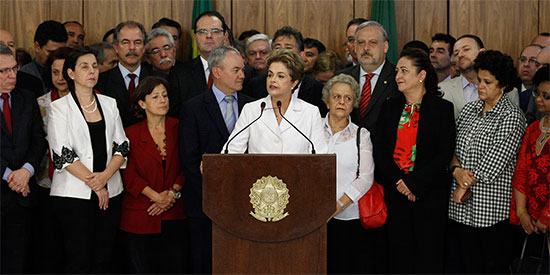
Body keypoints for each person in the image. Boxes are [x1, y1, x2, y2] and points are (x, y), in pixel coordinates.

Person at [47, 47, 129, 273]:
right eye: (84, 67)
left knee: (104, 256)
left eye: (94, 66)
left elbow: (122, 146)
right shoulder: (59, 108)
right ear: (71, 73)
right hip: (73, 195)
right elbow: (63, 153)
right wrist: (95, 184)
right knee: (78, 257)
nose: (92, 71)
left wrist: (104, 179)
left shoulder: (109, 103)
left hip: (111, 190)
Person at [373, 48, 455, 273]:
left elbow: (444, 153)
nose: (398, 75)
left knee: (427, 255)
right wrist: (400, 182)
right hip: (395, 192)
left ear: (421, 75)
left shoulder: (442, 109)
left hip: (429, 195)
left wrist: (415, 183)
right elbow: (379, 150)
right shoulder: (389, 106)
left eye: (404, 71)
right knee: (397, 254)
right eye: (397, 70)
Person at [447, 50, 527, 273]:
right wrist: (456, 172)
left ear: (503, 85)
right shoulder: (470, 110)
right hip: (459, 209)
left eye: (487, 82)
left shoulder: (512, 117)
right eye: (479, 80)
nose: (480, 85)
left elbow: (490, 167)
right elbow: (451, 150)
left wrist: (462, 180)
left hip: (490, 213)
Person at [179, 46, 253, 274]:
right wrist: (214, 195)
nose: (242, 74)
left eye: (242, 69)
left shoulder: (254, 106)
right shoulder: (193, 107)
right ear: (217, 72)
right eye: (236, 69)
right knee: (205, 263)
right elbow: (189, 159)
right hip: (204, 205)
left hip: (245, 203)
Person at [120, 76, 187, 273]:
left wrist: (172, 195)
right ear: (142, 103)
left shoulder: (180, 127)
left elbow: (187, 165)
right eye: (155, 96)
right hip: (140, 213)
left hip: (175, 212)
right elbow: (127, 171)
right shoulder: (129, 133)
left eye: (165, 96)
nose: (162, 100)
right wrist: (156, 197)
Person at [0, 44, 47, 274]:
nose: (12, 75)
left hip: (23, 195)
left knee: (17, 262)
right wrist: (11, 176)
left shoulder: (26, 97)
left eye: (14, 68)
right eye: (3, 71)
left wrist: (26, 171)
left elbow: (39, 139)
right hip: (9, 186)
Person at [224, 49, 327, 154]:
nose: (273, 80)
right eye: (270, 75)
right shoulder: (251, 110)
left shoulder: (310, 112)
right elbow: (232, 150)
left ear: (294, 83)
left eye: (280, 76)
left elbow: (319, 155)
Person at [322, 74, 374, 274]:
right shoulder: (311, 128)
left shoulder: (362, 135)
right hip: (311, 217)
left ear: (354, 104)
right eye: (336, 97)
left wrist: (336, 206)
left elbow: (366, 177)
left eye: (348, 98)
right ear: (327, 101)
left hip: (347, 218)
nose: (342, 102)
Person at [510, 66, 550, 258]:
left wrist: (546, 216)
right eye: (537, 93)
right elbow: (521, 170)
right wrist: (521, 210)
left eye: (546, 96)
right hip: (530, 215)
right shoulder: (534, 128)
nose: (539, 99)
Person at [243, 26, 327, 116]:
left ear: (301, 54)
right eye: (278, 48)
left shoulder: (317, 89)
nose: (282, 52)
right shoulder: (255, 85)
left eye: (288, 48)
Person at [336, 20, 399, 137]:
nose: (366, 48)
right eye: (360, 43)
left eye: (373, 43)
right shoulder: (341, 78)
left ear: (385, 47)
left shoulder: (398, 78)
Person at [440, 34, 520, 119]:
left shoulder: (509, 91)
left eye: (466, 49)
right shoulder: (442, 89)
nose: (460, 55)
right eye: (456, 53)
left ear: (482, 52)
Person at [94, 21, 156, 127]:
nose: (132, 47)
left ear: (144, 47)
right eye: (126, 42)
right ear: (116, 47)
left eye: (137, 42)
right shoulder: (100, 81)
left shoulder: (158, 78)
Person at [20, 20, 68, 94]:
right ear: (37, 47)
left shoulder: (73, 73)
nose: (56, 57)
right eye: (51, 52)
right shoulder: (24, 76)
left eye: (61, 52)